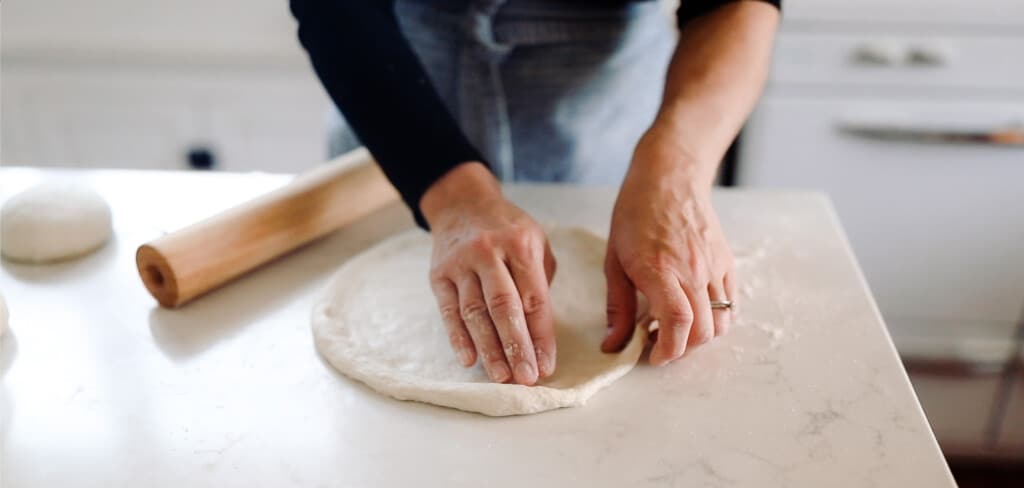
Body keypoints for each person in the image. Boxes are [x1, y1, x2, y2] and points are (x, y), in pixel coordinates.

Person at [291, 0, 781, 386]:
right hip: (392, 95)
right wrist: (451, 194)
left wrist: (675, 173)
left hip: (601, 122)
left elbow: (735, 3)